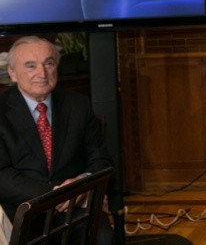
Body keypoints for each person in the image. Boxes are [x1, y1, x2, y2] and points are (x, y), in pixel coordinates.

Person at [0, 36, 118, 244]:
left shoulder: (79, 105)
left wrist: (83, 184)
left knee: (103, 239)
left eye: (49, 63)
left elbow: (100, 159)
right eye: (30, 66)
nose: (42, 73)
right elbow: (2, 176)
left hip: (77, 206)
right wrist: (59, 194)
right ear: (12, 73)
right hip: (22, 210)